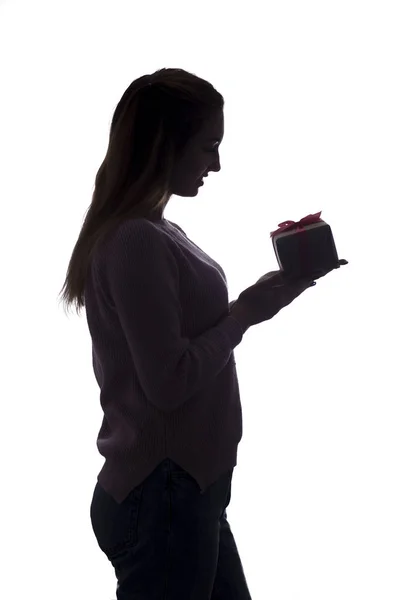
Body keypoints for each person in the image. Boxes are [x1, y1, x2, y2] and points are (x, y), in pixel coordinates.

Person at [58, 68, 348, 600]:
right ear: (166, 146)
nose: (216, 163)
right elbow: (168, 383)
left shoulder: (156, 231)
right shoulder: (135, 241)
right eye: (208, 146)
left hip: (186, 493)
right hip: (164, 499)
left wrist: (260, 302)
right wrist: (244, 314)